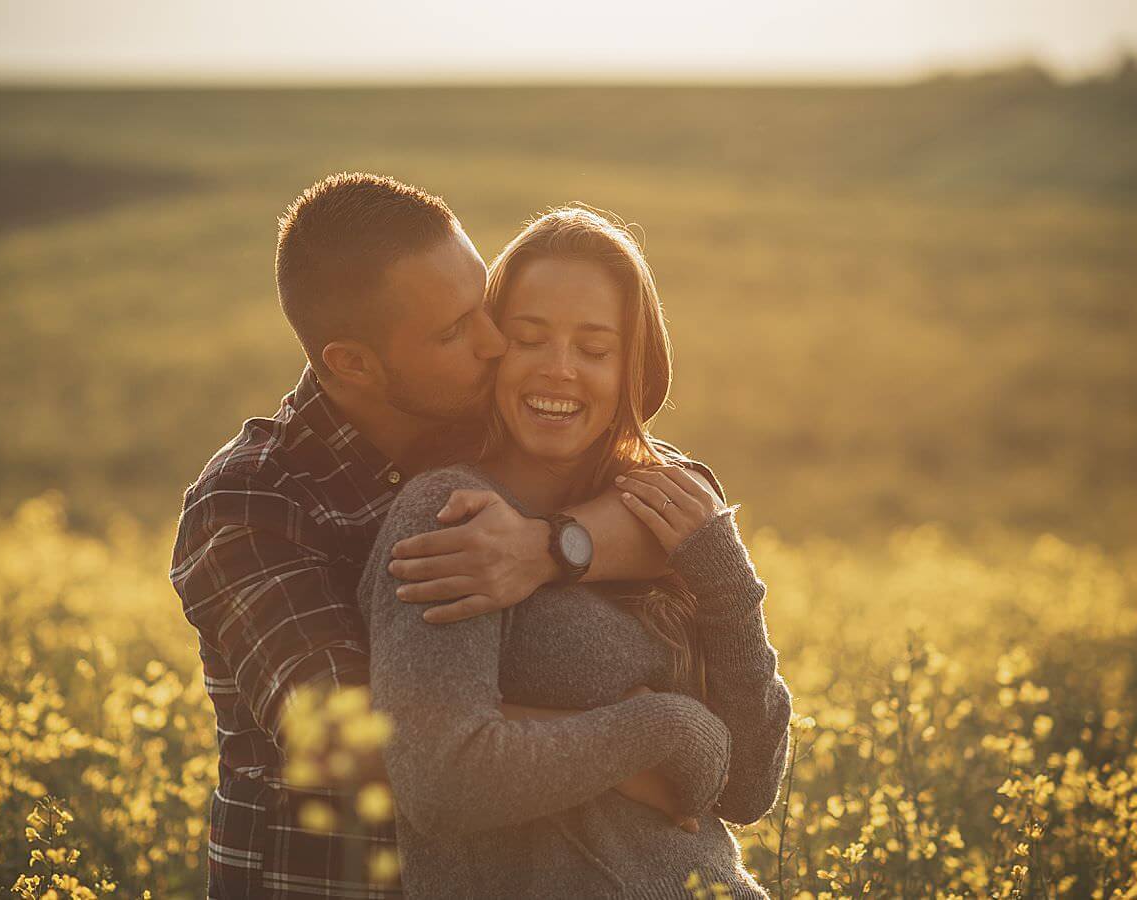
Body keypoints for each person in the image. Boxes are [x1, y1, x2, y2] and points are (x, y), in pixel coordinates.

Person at [169, 174, 728, 898]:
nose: (495, 342)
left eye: (483, 306)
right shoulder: (250, 500)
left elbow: (686, 495)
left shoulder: (473, 413)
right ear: (353, 362)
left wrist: (550, 549)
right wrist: (632, 747)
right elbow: (357, 740)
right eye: (454, 330)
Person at [358, 206, 792, 898]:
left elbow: (747, 790)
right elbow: (442, 781)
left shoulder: (666, 504)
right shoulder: (449, 514)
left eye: (594, 350)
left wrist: (730, 589)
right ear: (494, 347)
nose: (560, 371)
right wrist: (661, 730)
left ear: (632, 366)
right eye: (530, 339)